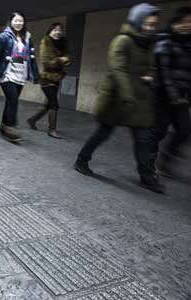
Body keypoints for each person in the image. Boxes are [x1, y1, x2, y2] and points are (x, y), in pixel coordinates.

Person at [74, 3, 164, 193]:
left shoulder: (148, 43)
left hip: (139, 100)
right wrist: (127, 95)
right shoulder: (122, 41)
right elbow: (118, 69)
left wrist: (150, 75)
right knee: (103, 133)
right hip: (118, 99)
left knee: (143, 139)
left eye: (153, 24)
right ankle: (82, 160)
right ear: (138, 21)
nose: (150, 27)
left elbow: (151, 67)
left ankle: (147, 176)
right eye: (147, 23)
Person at [0, 11, 40, 142]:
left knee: (11, 101)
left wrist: (36, 74)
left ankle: (4, 125)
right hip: (7, 73)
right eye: (16, 21)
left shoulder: (27, 38)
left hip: (21, 74)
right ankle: (11, 128)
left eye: (21, 21)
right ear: (11, 22)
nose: (18, 23)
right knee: (13, 100)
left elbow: (32, 58)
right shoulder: (3, 37)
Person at [154, 7, 191, 178]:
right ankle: (148, 162)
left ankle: (165, 161)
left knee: (184, 131)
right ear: (175, 23)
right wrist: (173, 95)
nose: (187, 25)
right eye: (183, 22)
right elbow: (164, 71)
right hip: (164, 95)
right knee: (158, 132)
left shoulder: (189, 44)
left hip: (181, 97)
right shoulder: (165, 41)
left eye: (190, 23)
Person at [27, 22, 71, 139]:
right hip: (46, 78)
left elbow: (69, 58)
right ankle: (51, 130)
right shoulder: (45, 42)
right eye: (55, 30)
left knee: (48, 105)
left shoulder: (63, 42)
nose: (58, 32)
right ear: (50, 31)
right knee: (54, 104)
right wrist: (61, 60)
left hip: (57, 78)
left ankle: (32, 120)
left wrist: (61, 60)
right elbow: (47, 63)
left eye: (60, 30)